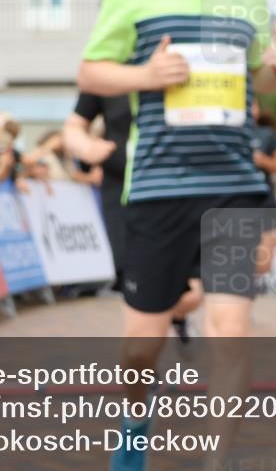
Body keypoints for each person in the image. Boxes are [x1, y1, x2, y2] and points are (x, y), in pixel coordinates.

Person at [76, 0, 276, 471]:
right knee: (141, 344)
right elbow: (91, 71)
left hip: (232, 186)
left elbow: (256, 87)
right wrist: (146, 74)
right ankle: (133, 419)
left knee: (229, 327)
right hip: (158, 190)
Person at [65, 93, 203, 340]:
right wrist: (86, 147)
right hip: (121, 191)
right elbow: (74, 126)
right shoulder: (107, 69)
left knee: (190, 293)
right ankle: (145, 357)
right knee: (132, 277)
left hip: (175, 187)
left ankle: (176, 315)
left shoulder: (180, 64)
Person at [250, 98, 276, 286]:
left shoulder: (267, 135)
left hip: (264, 203)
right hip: (234, 202)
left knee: (263, 263)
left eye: (253, 104)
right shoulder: (227, 135)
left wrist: (262, 161)